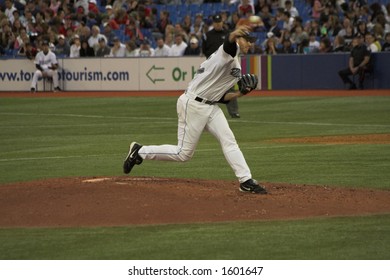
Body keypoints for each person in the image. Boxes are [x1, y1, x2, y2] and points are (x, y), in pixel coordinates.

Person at [123, 25, 267, 195]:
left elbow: (220, 97)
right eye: (246, 39)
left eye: (251, 41)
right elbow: (229, 41)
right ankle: (140, 151)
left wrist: (240, 94)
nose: (249, 44)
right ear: (238, 39)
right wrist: (236, 33)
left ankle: (245, 180)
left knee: (229, 140)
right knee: (183, 154)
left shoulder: (235, 62)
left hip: (210, 106)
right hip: (193, 104)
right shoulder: (228, 51)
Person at [202, 14, 241, 119]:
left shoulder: (228, 35)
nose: (218, 24)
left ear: (222, 23)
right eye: (216, 22)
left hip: (226, 66)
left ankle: (234, 112)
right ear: (213, 23)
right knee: (209, 89)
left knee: (229, 88)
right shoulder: (207, 35)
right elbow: (204, 50)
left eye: (219, 22)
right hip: (212, 67)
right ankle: (207, 113)